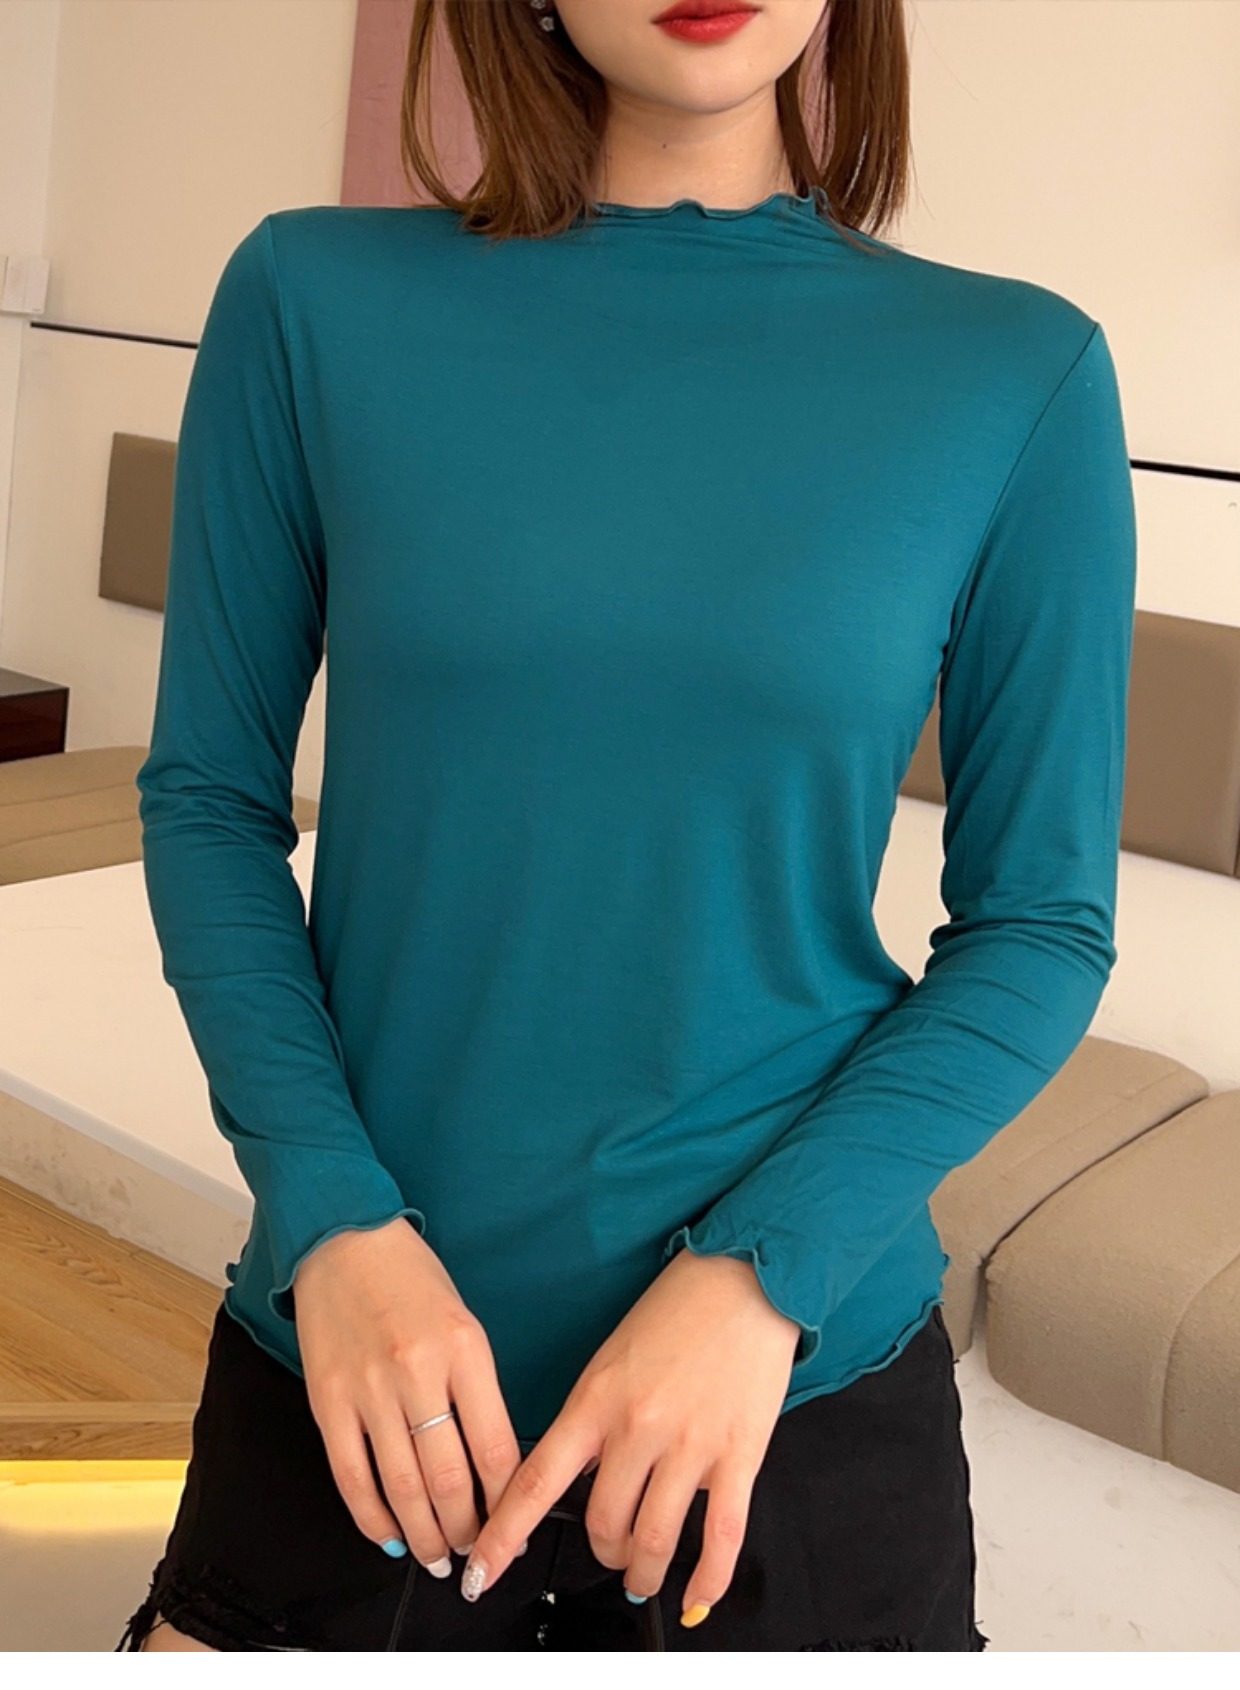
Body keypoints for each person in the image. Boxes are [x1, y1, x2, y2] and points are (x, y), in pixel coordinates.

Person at [117, 0, 1135, 1653]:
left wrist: (759, 1277)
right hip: (364, 1369)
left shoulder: (1018, 372)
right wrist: (335, 1219)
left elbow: (1040, 925)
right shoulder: (310, 299)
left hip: (783, 1404)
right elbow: (212, 803)